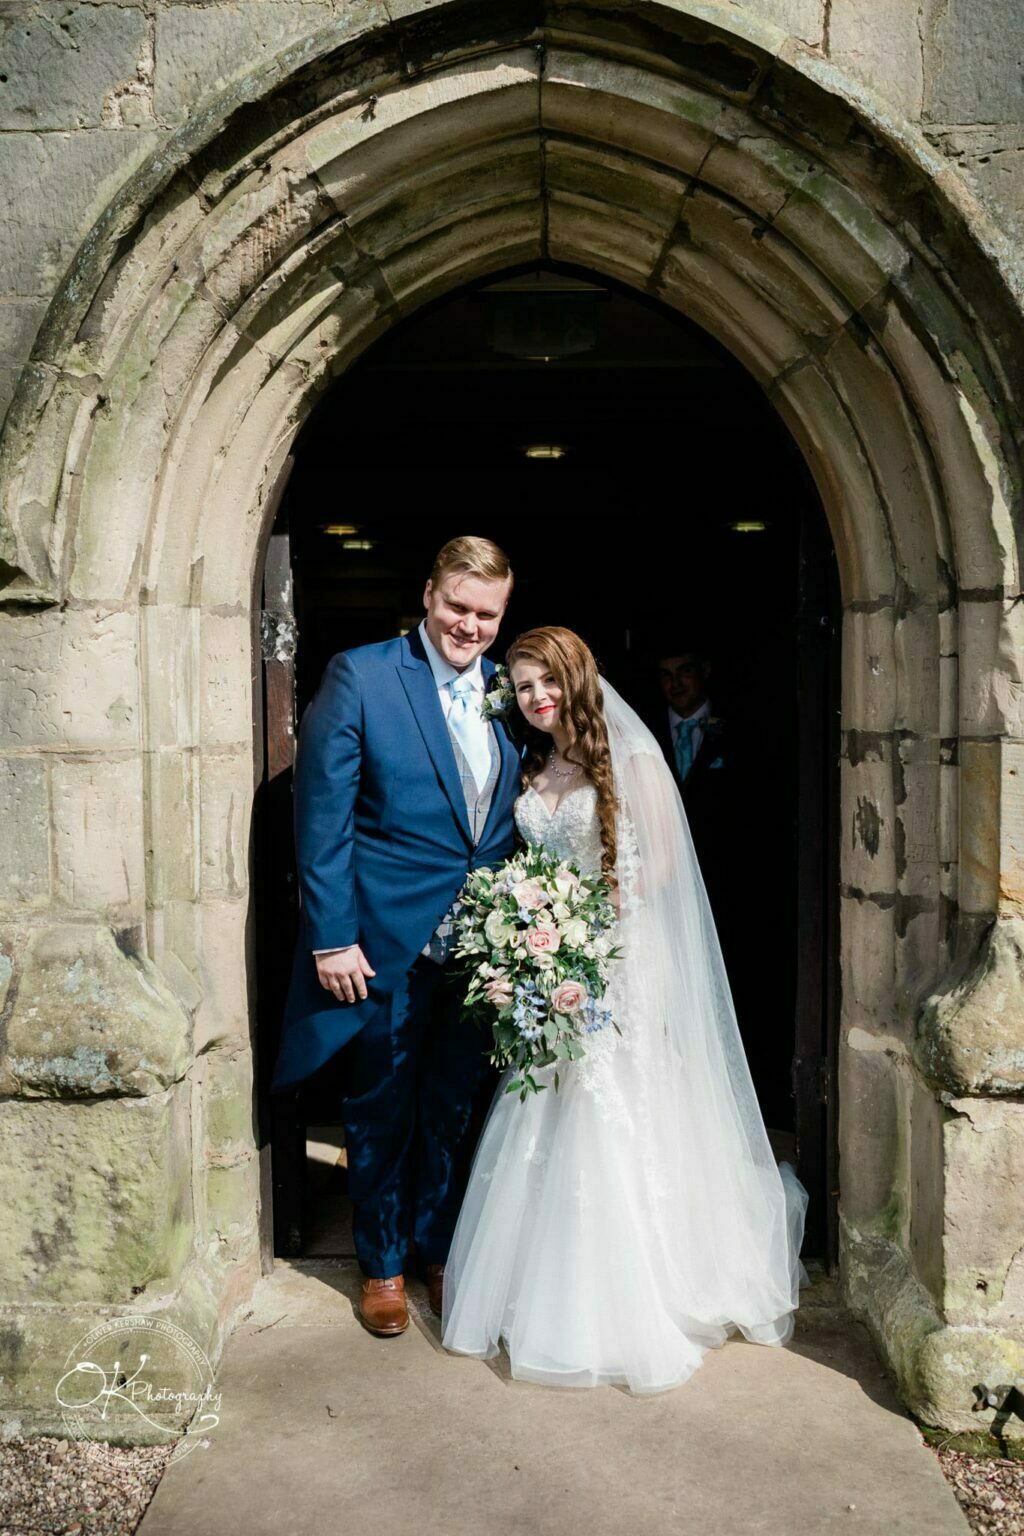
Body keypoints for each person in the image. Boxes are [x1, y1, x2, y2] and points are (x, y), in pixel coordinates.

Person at [441, 627, 809, 1394]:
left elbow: (661, 868)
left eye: (547, 683)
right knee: (550, 1107)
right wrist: (537, 943)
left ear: (577, 681)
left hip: (620, 961)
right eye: (525, 686)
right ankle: (544, 1287)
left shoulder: (633, 759)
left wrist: (581, 939)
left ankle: (645, 1289)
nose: (538, 699)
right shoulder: (537, 765)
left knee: (618, 1105)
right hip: (557, 962)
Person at [270, 537, 523, 1338]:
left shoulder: (510, 692)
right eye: (457, 606)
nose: (469, 626)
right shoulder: (364, 675)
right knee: (379, 1105)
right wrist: (332, 937)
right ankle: (381, 1264)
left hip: (487, 946)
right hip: (381, 942)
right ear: (427, 594)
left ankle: (439, 1250)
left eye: (486, 614)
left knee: (455, 1106)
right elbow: (323, 817)